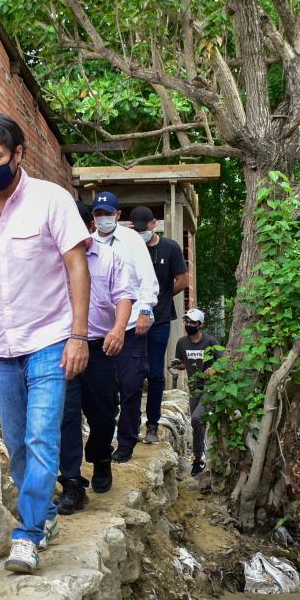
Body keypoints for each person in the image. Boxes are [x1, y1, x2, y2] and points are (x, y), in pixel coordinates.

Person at [0, 112, 91, 575]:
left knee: (41, 435)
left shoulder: (52, 201)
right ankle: (46, 515)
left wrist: (78, 334)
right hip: (2, 346)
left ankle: (27, 534)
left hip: (50, 338)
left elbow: (77, 267)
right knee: (16, 444)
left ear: (18, 154)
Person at [57, 205, 136, 514]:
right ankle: (72, 484)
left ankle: (101, 456)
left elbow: (124, 296)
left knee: (104, 416)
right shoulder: (53, 259)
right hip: (62, 348)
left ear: (89, 225)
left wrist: (118, 329)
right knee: (67, 417)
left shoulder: (110, 257)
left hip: (100, 348)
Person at [88, 192, 159, 463]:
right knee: (105, 391)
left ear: (118, 215)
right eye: (98, 214)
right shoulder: (87, 243)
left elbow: (147, 280)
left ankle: (127, 441)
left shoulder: (130, 241)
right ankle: (103, 442)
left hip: (130, 327)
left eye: (108, 213)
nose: (102, 218)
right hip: (100, 332)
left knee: (130, 385)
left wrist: (144, 311)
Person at [127, 206, 189, 445]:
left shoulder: (170, 248)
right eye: (137, 228)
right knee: (131, 373)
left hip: (159, 320)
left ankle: (152, 423)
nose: (141, 232)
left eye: (145, 227)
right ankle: (129, 424)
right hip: (131, 320)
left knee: (154, 372)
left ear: (154, 224)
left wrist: (160, 297)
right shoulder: (129, 247)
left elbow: (182, 281)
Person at [172, 308, 221, 475]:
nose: (188, 325)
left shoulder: (210, 341)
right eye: (186, 321)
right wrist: (176, 364)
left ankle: (213, 455)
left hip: (211, 388)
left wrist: (215, 368)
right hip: (194, 389)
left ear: (200, 324)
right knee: (197, 425)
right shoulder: (181, 343)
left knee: (196, 418)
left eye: (192, 322)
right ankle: (198, 460)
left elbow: (224, 362)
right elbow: (183, 364)